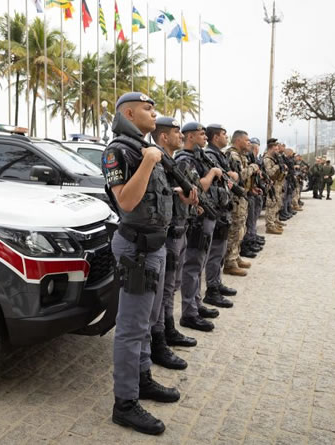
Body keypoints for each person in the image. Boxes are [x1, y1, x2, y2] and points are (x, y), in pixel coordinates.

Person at [102, 92, 191, 435]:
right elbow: (125, 202)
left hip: (156, 246)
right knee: (130, 328)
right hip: (136, 249)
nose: (154, 114)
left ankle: (141, 380)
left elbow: (159, 194)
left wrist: (182, 192)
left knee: (148, 319)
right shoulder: (118, 151)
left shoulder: (144, 149)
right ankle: (124, 403)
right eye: (147, 109)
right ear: (128, 113)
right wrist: (149, 162)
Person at [148, 116, 197, 370]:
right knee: (163, 289)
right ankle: (159, 340)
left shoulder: (170, 163)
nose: (181, 136)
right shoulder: (157, 162)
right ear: (164, 137)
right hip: (165, 234)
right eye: (177, 132)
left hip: (179, 228)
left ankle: (168, 329)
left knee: (172, 285)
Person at [176, 122, 223, 333]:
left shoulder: (198, 158)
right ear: (190, 137)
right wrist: (212, 173)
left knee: (200, 263)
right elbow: (198, 187)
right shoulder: (184, 159)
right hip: (195, 221)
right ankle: (189, 313)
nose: (205, 137)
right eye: (201, 134)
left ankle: (195, 303)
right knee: (192, 265)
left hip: (205, 217)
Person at [202, 124, 240, 306]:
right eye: (224, 134)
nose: (227, 137)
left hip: (222, 208)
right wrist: (229, 175)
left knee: (220, 250)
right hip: (215, 209)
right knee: (215, 252)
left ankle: (216, 283)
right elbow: (214, 180)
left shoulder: (219, 155)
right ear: (216, 137)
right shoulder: (210, 155)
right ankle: (212, 289)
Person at [224, 130, 259, 276]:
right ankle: (230, 262)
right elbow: (238, 177)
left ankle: (235, 256)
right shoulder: (232, 155)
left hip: (242, 197)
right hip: (235, 199)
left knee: (241, 229)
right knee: (235, 229)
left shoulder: (241, 156)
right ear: (238, 141)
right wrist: (253, 168)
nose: (249, 144)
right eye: (247, 141)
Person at [241, 138, 265, 258]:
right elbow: (241, 176)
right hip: (243, 195)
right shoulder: (237, 156)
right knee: (245, 222)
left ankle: (251, 238)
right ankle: (246, 243)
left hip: (249, 192)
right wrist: (253, 168)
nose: (248, 144)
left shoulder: (249, 158)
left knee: (252, 218)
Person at [263, 139, 285, 234]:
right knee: (271, 205)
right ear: (271, 149)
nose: (277, 151)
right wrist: (277, 166)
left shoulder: (274, 159)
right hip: (270, 185)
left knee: (276, 204)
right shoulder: (267, 159)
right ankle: (270, 225)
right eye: (275, 149)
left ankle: (273, 222)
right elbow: (269, 173)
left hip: (276, 184)